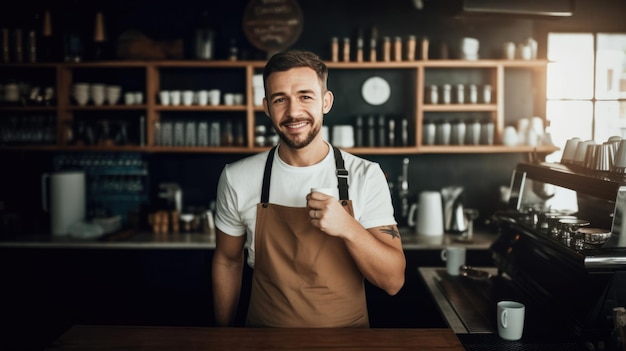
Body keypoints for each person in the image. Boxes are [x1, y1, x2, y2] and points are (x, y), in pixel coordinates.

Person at [212, 49, 405, 328]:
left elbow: (393, 281)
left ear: (326, 102)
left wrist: (348, 227)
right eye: (280, 99)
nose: (293, 112)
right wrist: (223, 336)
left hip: (348, 342)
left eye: (305, 96)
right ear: (267, 107)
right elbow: (228, 261)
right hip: (264, 340)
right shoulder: (237, 177)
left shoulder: (366, 175)